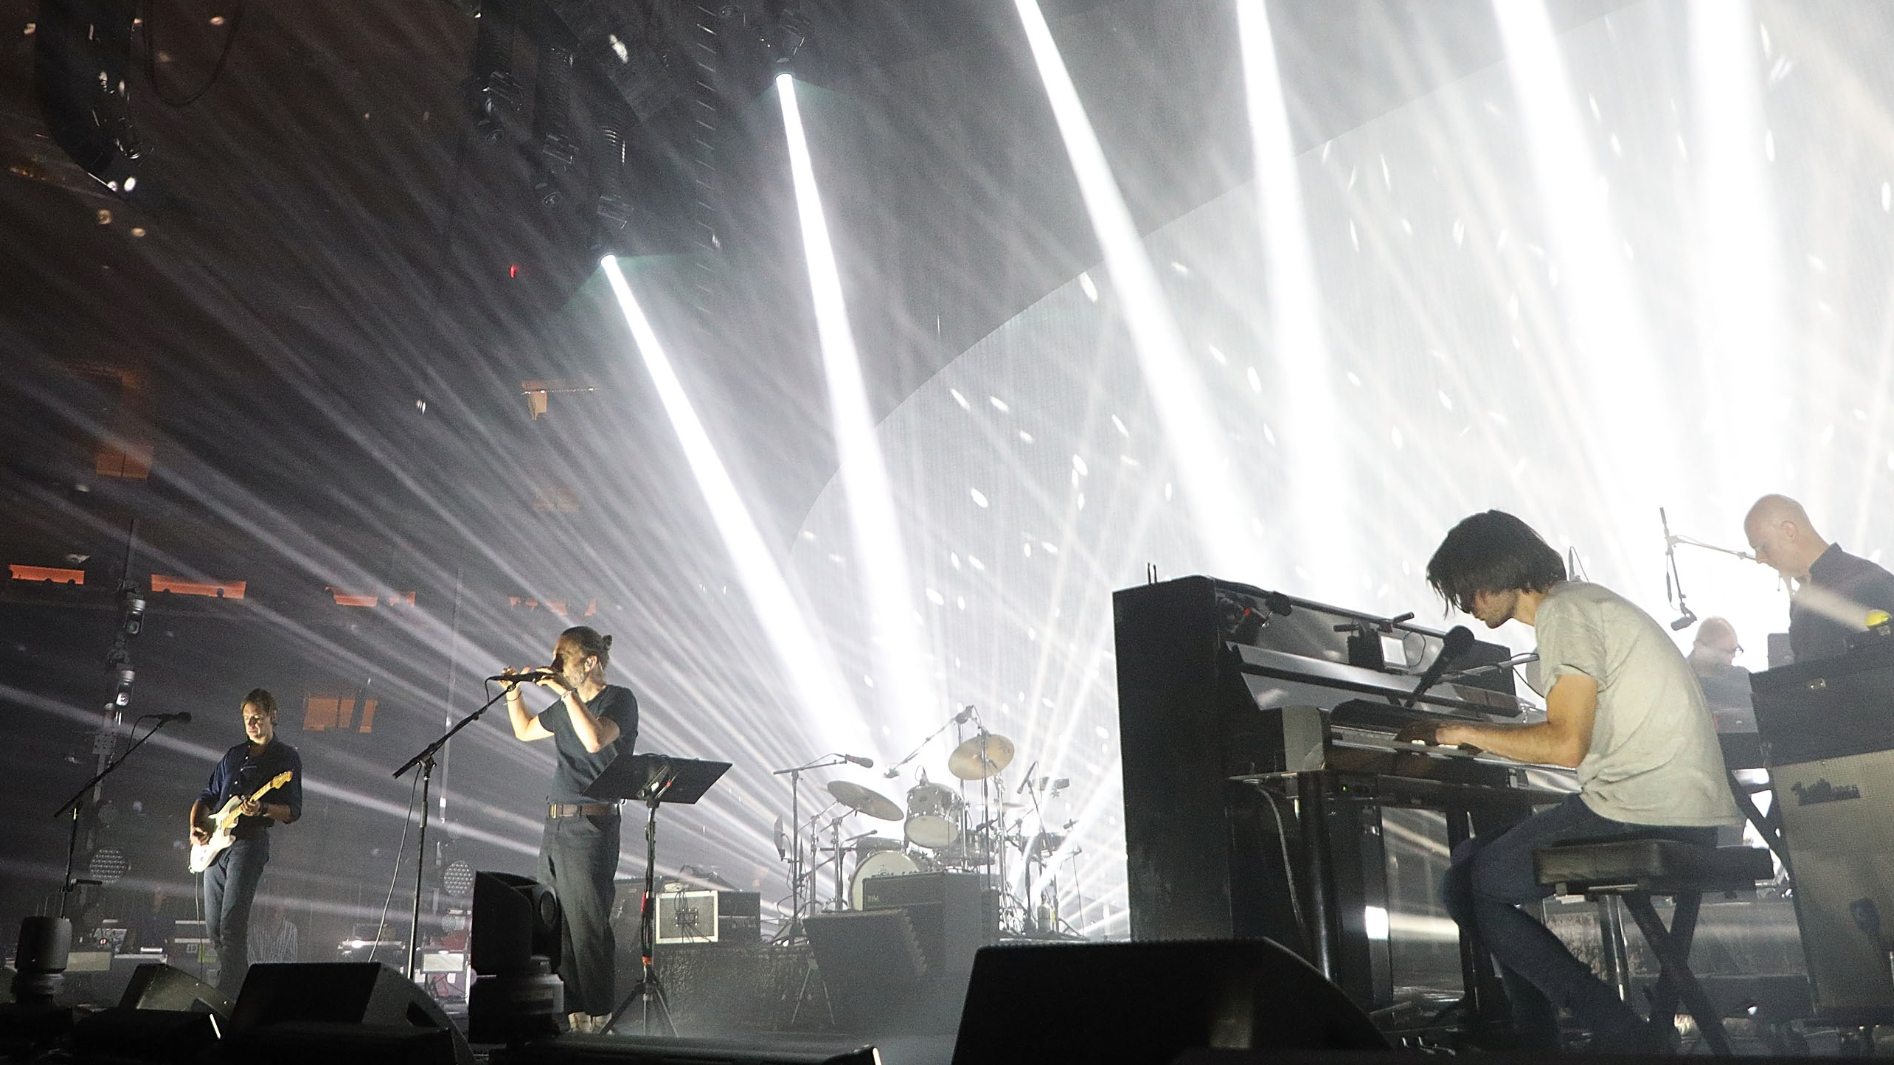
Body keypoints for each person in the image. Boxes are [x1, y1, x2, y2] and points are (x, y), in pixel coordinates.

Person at [1400, 511, 1739, 1052]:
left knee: (1467, 884)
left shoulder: (1565, 613)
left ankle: (1614, 1031)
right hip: (1675, 806)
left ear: (1495, 571)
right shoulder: (1585, 605)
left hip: (1649, 808)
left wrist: (1454, 731)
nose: (1465, 604)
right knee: (1469, 861)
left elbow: (1564, 743)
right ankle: (1540, 1036)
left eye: (1467, 589)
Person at [504, 626, 639, 1035]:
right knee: (554, 921)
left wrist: (566, 693)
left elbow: (596, 739)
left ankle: (600, 1016)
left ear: (590, 662)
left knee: (588, 925)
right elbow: (525, 730)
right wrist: (514, 693)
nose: (557, 664)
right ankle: (573, 1015)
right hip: (556, 823)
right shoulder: (568, 706)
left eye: (564, 657)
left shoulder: (619, 700)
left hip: (591, 824)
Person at [190, 689, 303, 999]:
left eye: (258, 718)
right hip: (216, 847)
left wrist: (263, 809)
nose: (252, 724)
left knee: (231, 926)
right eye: (247, 719)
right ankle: (231, 987)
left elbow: (293, 810)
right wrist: (194, 828)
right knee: (215, 929)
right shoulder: (233, 755)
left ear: (273, 717)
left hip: (249, 843)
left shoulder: (285, 758)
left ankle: (230, 997)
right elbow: (206, 797)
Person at [1743, 494, 1894, 662]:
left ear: (1789, 531)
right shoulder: (1801, 601)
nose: (1759, 559)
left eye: (1763, 547)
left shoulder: (1869, 581)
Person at [1687, 617, 1754, 732]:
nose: (1730, 658)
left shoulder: (1742, 678)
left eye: (1733, 651)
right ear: (1698, 646)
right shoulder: (1679, 682)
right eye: (1723, 652)